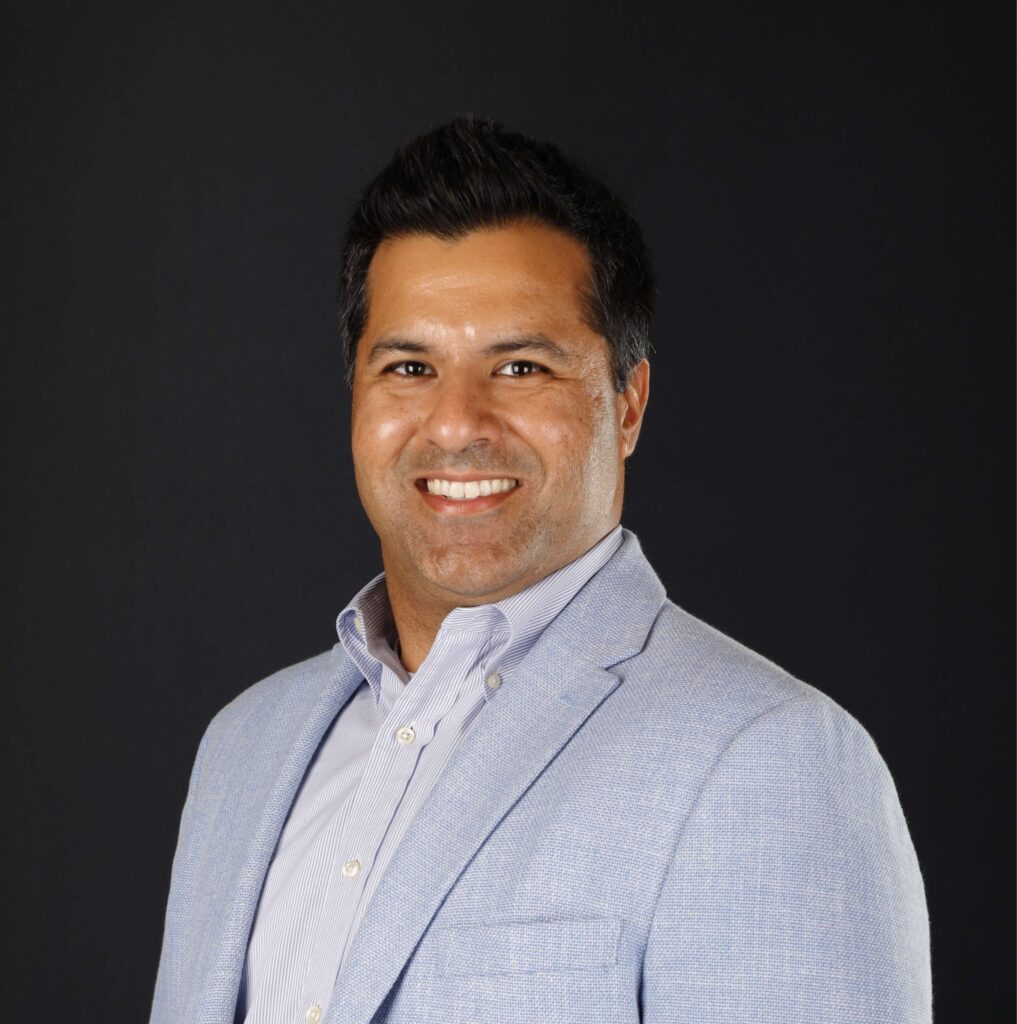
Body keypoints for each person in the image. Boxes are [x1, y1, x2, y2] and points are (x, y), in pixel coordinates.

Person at [150, 116, 931, 1024]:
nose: (454, 423)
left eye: (519, 366)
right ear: (356, 398)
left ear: (627, 403)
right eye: (408, 366)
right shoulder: (243, 748)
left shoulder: (767, 760)